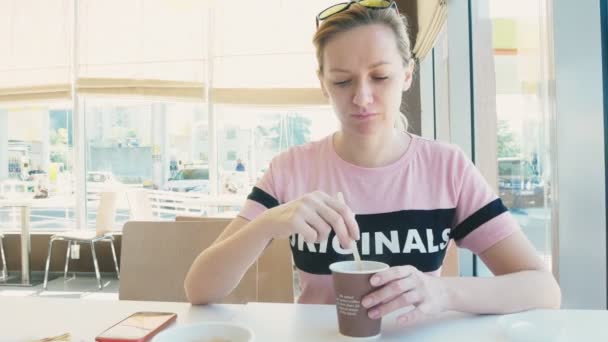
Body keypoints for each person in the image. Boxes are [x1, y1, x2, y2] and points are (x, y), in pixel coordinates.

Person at [185, 0, 560, 325]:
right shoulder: (290, 169)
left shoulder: (447, 167)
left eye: (380, 77)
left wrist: (443, 292)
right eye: (342, 82)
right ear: (323, 84)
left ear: (408, 75)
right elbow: (199, 289)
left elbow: (543, 289)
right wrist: (267, 224)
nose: (362, 98)